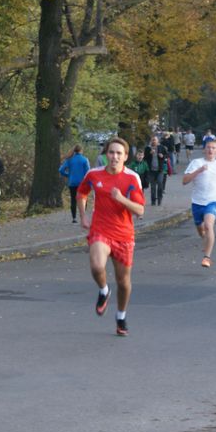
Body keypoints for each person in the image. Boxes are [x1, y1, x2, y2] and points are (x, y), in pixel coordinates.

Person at [77, 137, 145, 337]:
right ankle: (104, 290)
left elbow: (140, 210)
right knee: (97, 266)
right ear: (106, 154)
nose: (114, 157)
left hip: (124, 234)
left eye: (119, 153)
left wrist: (121, 199)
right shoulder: (94, 174)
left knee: (123, 281)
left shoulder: (132, 178)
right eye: (111, 152)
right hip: (101, 229)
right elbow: (81, 193)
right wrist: (83, 215)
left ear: (125, 157)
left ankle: (121, 316)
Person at [182, 139, 216, 268]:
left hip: (213, 201)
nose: (210, 150)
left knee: (209, 225)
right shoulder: (196, 163)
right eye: (208, 147)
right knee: (201, 230)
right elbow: (184, 181)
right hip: (197, 202)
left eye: (213, 148)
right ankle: (205, 238)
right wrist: (198, 171)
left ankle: (207, 257)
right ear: (204, 149)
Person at [59, 144, 91, 223]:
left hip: (72, 182)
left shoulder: (69, 160)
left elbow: (61, 170)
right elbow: (88, 173)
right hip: (82, 183)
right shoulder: (85, 160)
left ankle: (74, 218)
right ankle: (82, 216)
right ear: (81, 150)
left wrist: (68, 175)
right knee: (83, 199)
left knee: (73, 199)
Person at [143, 135, 169, 206]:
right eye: (152, 140)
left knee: (160, 184)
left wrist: (163, 156)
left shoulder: (161, 147)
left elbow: (167, 155)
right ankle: (153, 201)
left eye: (155, 140)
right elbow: (144, 158)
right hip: (151, 170)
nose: (153, 141)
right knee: (153, 187)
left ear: (158, 141)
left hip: (160, 170)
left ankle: (159, 199)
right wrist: (149, 154)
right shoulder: (148, 148)